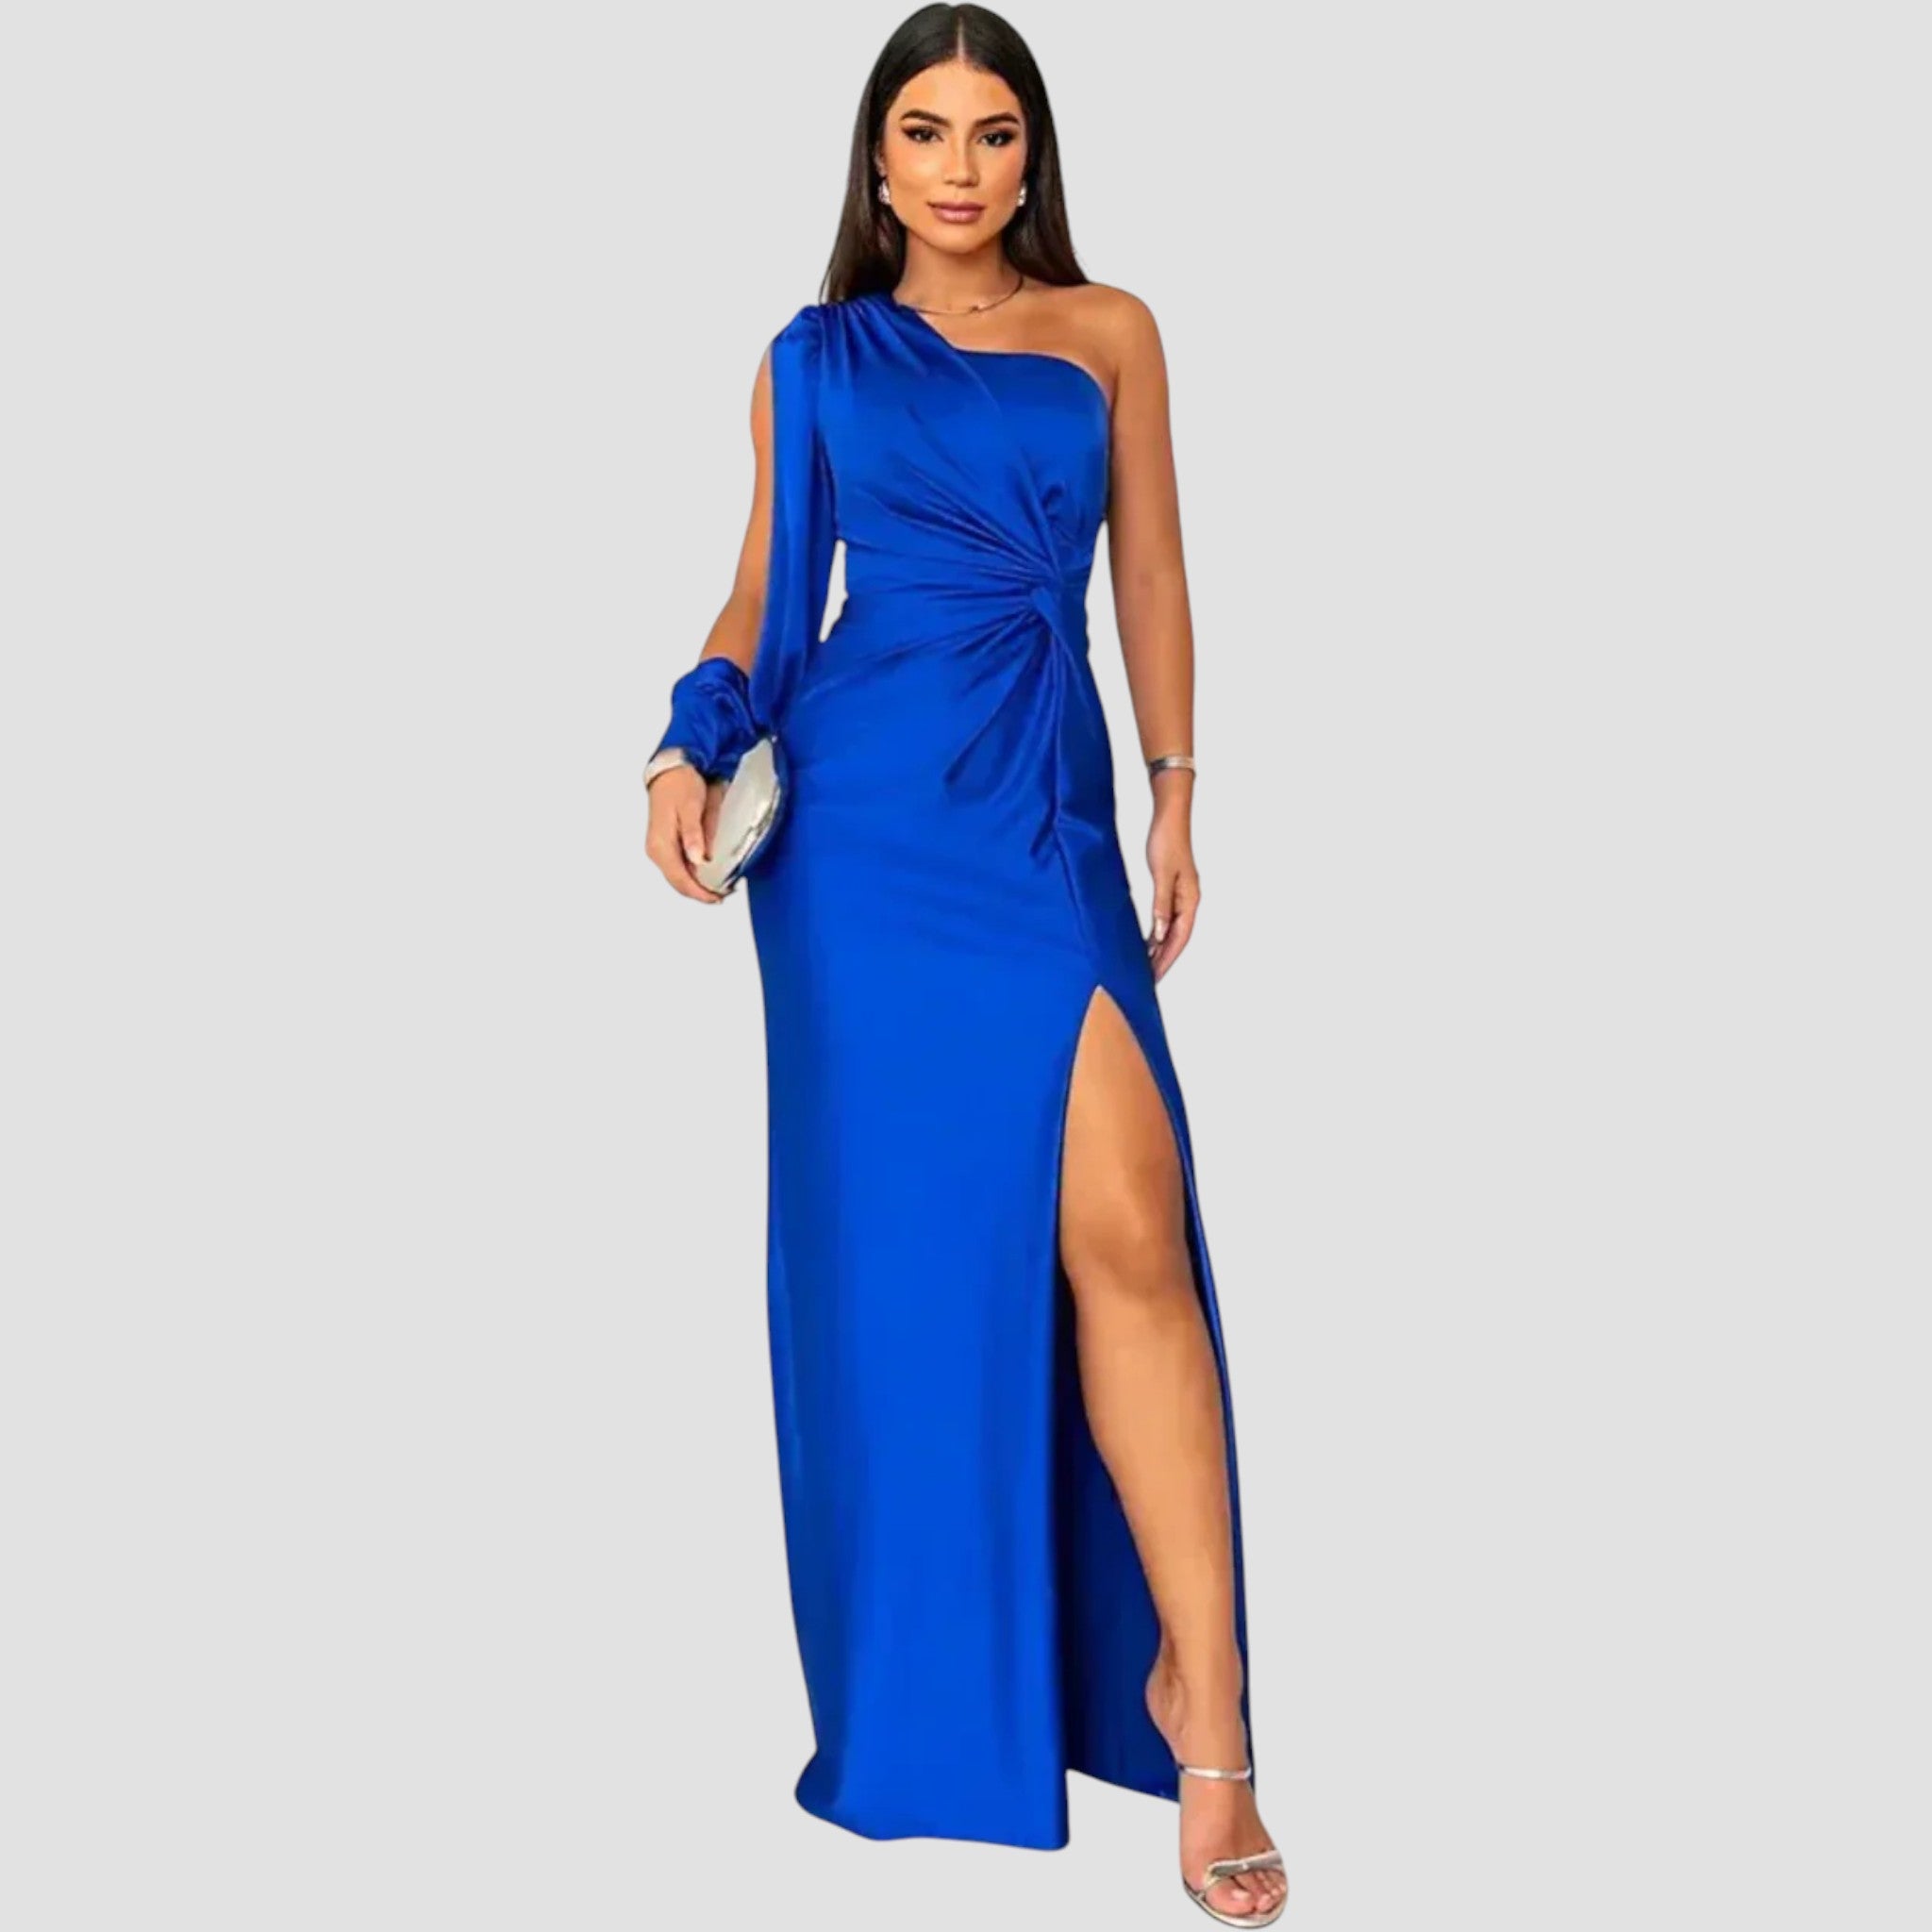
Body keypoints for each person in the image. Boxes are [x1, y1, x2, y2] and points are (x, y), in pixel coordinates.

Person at [642, 7, 1286, 1922]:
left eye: (992, 133)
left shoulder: (1111, 332)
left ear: (1031, 158)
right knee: (912, 1272)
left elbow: (1150, 571)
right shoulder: (813, 360)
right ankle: (947, 1704)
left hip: (1044, 816)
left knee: (1129, 1229)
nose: (957, 167)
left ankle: (1209, 1705)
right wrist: (685, 737)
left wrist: (1175, 791)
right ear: (877, 159)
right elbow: (766, 594)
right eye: (923, 131)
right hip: (861, 847)